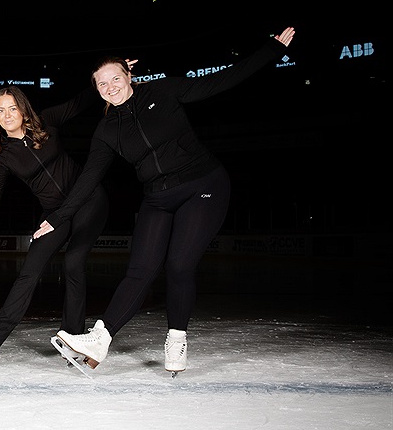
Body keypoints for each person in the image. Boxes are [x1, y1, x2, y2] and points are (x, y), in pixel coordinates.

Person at [40, 26, 297, 375]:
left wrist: (271, 51)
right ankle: (100, 339)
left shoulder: (163, 91)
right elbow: (88, 179)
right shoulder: (106, 130)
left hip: (202, 184)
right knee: (140, 270)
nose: (110, 87)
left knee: (179, 264)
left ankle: (177, 339)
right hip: (157, 197)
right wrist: (58, 217)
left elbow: (220, 81)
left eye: (115, 78)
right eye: (102, 84)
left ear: (129, 76)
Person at [0, 84, 111, 367]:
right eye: (0, 111)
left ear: (23, 109)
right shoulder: (3, 157)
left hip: (88, 199)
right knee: (29, 271)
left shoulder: (46, 121)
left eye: (12, 108)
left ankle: (74, 338)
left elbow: (80, 101)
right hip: (53, 214)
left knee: (74, 262)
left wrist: (107, 83)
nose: (7, 115)